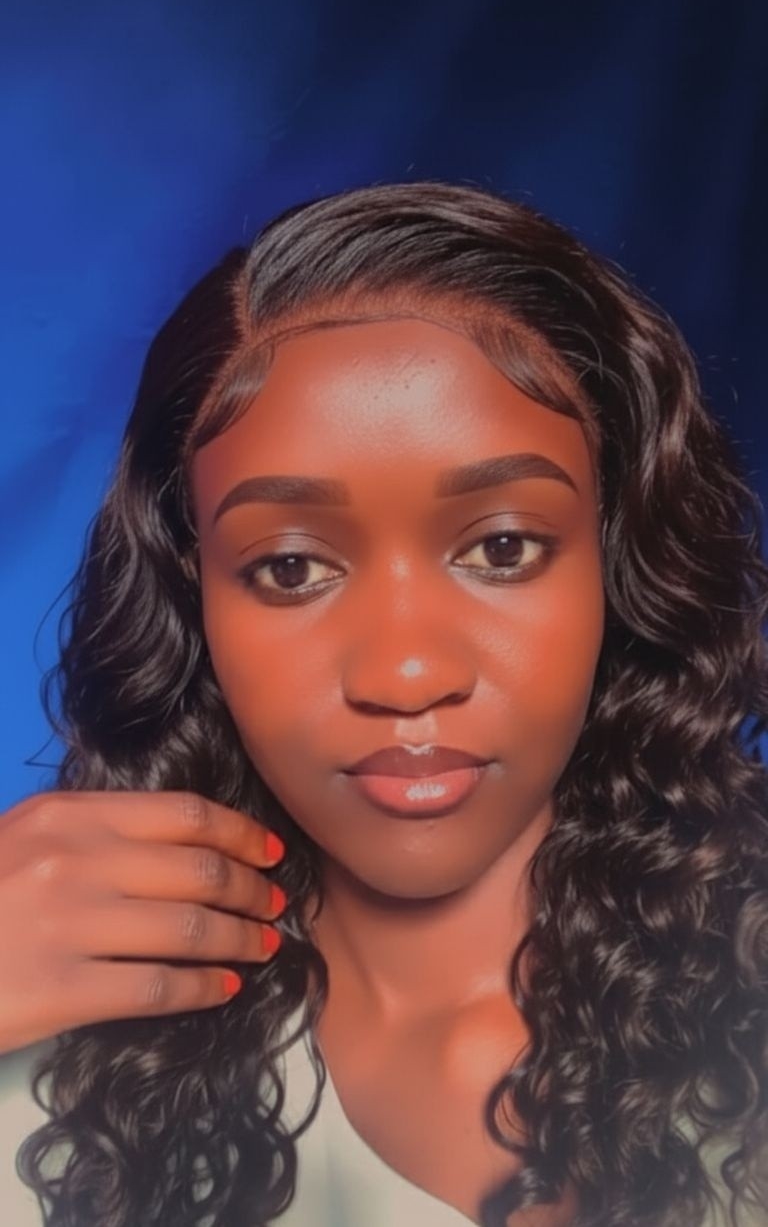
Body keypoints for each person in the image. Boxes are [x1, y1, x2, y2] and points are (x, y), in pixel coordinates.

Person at [0, 180, 766, 1227]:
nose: (406, 676)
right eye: (290, 567)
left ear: (619, 562)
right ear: (193, 596)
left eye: (504, 547)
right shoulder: (52, 1058)